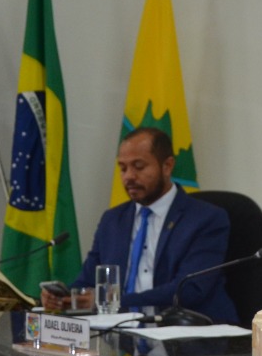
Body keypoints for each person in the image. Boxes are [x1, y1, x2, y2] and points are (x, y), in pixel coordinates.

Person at [43, 127, 236, 322]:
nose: (128, 176)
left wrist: (114, 301)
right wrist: (64, 298)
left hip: (189, 330)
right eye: (123, 168)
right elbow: (87, 281)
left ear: (167, 166)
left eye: (139, 166)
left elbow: (190, 290)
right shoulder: (112, 220)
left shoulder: (205, 219)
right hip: (122, 331)